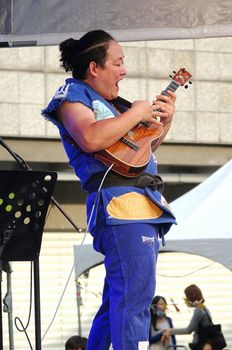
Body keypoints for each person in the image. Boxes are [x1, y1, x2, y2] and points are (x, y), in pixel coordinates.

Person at [42, 29, 177, 350]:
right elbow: (90, 138)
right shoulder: (72, 96)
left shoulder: (114, 104)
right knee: (135, 297)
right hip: (120, 204)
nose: (124, 71)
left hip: (139, 203)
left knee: (117, 299)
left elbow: (137, 152)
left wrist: (165, 122)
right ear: (94, 68)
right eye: (118, 63)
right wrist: (136, 113)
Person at [162, 284, 213, 350]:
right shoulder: (204, 308)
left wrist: (170, 331)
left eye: (187, 297)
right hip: (206, 344)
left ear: (191, 297)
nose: (185, 300)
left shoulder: (198, 310)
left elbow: (188, 330)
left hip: (201, 345)